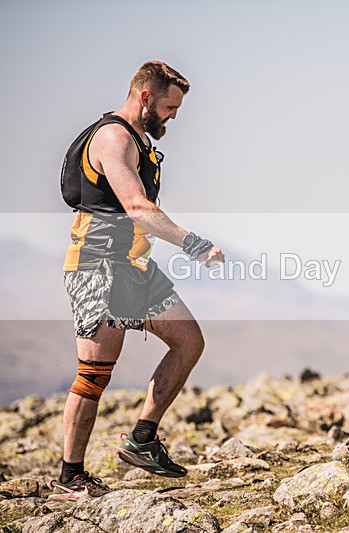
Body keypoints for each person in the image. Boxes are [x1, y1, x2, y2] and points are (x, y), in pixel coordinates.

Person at [51, 61, 225, 501]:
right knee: (93, 376)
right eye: (169, 106)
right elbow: (137, 207)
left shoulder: (141, 140)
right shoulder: (113, 137)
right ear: (145, 97)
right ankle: (71, 477)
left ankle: (143, 438)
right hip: (98, 265)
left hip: (136, 266)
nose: (173, 116)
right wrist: (195, 243)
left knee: (189, 342)